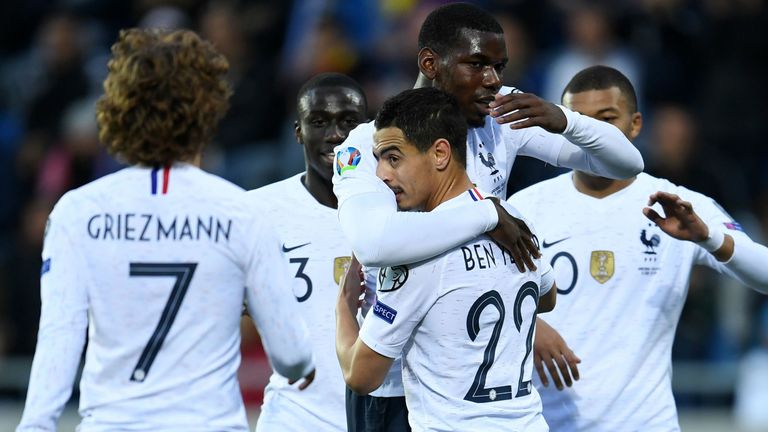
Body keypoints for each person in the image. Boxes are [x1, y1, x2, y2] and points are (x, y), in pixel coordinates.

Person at [333, 3, 643, 430]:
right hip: (390, 379)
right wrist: (486, 213)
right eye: (476, 65)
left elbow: (626, 164)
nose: (494, 81)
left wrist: (566, 120)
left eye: (499, 66)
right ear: (430, 63)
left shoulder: (502, 118)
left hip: (474, 376)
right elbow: (374, 243)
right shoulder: (371, 143)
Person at [16, 28, 314, 432]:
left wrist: (34, 426)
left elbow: (59, 336)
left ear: (117, 108)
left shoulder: (77, 211)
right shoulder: (241, 211)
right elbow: (291, 354)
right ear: (208, 109)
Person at [508, 65, 768, 432]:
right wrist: (529, 325)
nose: (592, 133)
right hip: (546, 423)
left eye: (607, 119)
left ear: (635, 125)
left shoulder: (678, 205)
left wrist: (708, 238)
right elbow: (476, 301)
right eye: (578, 121)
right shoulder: (526, 208)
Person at [336, 87, 556, 431]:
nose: (381, 174)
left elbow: (360, 375)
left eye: (393, 158)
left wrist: (344, 308)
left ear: (440, 153)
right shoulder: (513, 220)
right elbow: (547, 297)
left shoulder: (417, 253)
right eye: (378, 158)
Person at [247, 72, 367, 431]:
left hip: (383, 416)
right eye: (319, 122)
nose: (335, 135)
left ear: (368, 130)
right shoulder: (257, 211)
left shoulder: (400, 207)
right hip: (293, 418)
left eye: (349, 122)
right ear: (297, 131)